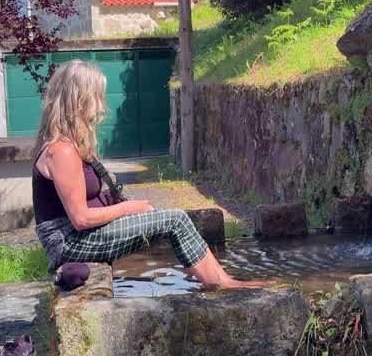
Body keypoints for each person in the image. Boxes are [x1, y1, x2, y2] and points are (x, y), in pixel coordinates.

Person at [32, 60, 271, 290]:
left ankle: (222, 279)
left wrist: (126, 205)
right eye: (97, 95)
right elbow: (81, 218)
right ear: (80, 100)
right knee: (175, 220)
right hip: (70, 243)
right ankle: (221, 285)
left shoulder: (74, 145)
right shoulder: (61, 151)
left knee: (168, 218)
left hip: (83, 236)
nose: (102, 104)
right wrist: (128, 208)